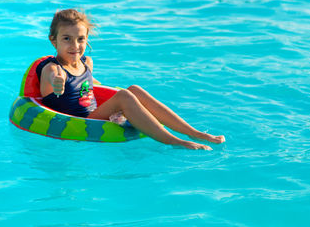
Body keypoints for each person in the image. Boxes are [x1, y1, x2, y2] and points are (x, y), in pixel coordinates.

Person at [38, 9, 225, 150]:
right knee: (125, 96)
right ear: (53, 41)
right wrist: (57, 82)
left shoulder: (87, 62)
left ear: (87, 39)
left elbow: (88, 86)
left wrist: (105, 93)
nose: (75, 45)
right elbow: (57, 77)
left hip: (95, 113)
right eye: (67, 39)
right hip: (78, 120)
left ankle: (195, 133)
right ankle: (176, 141)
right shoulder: (53, 68)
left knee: (133, 89)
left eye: (80, 39)